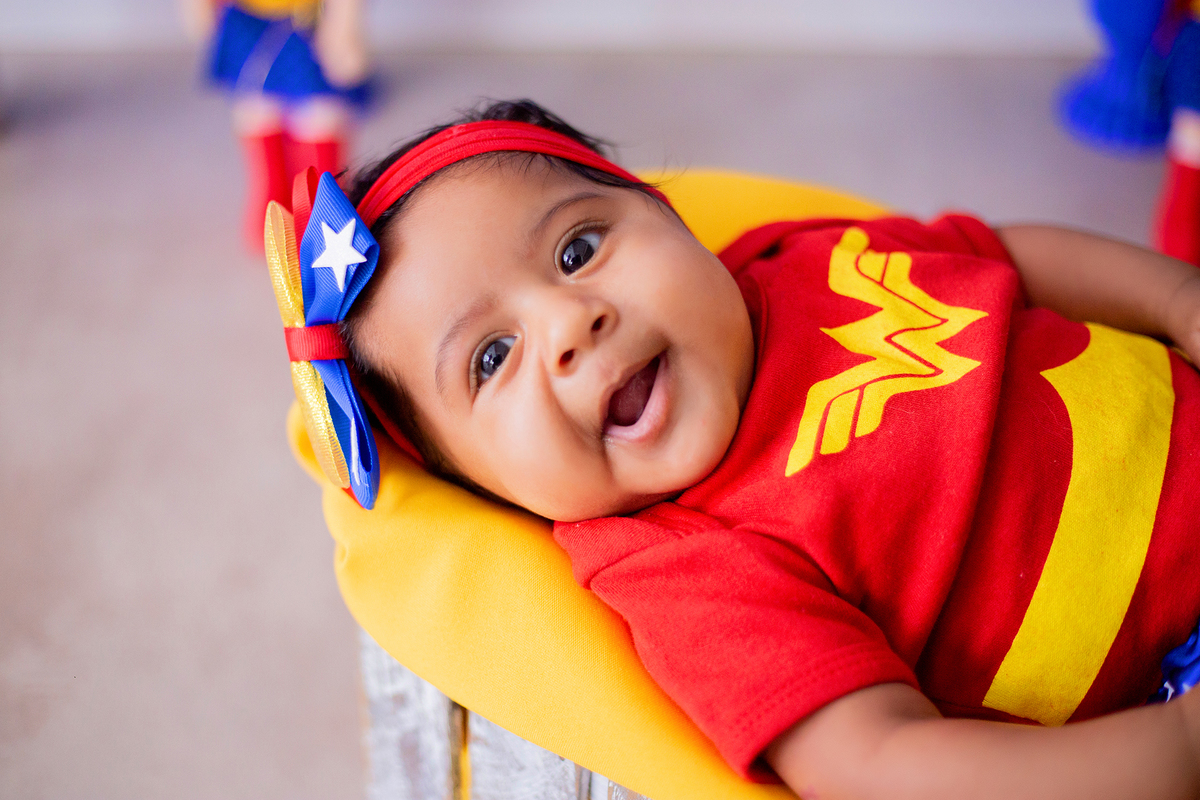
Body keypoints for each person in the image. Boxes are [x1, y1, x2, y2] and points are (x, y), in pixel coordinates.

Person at [268, 99, 1200, 800]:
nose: (569, 321)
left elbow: (1002, 254)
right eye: (491, 358)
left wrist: (1175, 302)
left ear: (671, 219)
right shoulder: (686, 565)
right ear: (491, 489)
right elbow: (882, 764)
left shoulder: (799, 262)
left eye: (578, 248)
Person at [184, 0, 371, 252]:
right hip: (245, 17)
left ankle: (323, 204)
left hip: (310, 21)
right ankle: (274, 196)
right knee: (257, 109)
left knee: (320, 113)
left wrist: (345, 24)